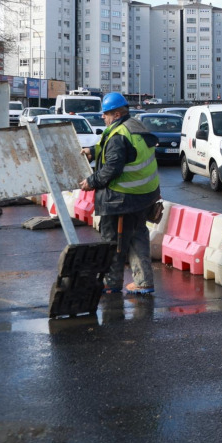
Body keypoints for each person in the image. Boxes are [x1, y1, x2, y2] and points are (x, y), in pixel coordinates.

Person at [80, 92, 160, 296]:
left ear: (116, 114)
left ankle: (111, 283)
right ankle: (144, 282)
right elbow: (125, 153)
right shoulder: (135, 127)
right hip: (145, 195)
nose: (103, 118)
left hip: (121, 197)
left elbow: (112, 168)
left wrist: (91, 181)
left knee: (113, 240)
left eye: (105, 114)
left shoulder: (118, 136)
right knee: (137, 235)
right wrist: (93, 151)